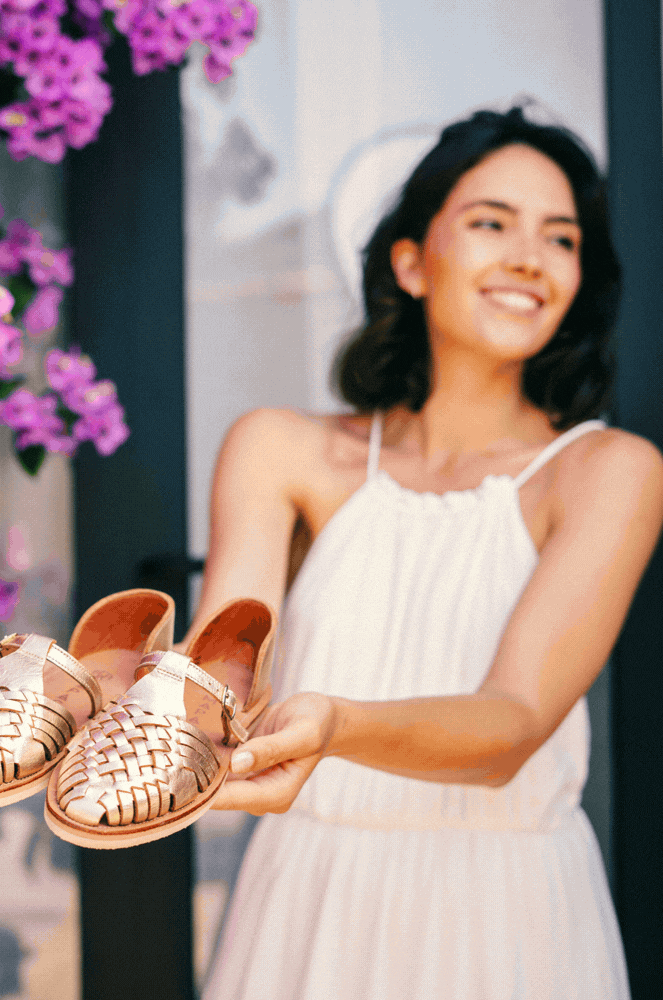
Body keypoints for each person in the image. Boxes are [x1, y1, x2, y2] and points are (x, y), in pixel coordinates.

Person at [184, 107, 663, 999]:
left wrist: (336, 728)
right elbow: (214, 685)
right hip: (311, 899)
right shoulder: (279, 449)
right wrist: (103, 694)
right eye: (491, 223)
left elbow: (512, 726)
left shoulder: (606, 471)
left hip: (506, 915)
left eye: (561, 239)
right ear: (410, 263)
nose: (530, 258)